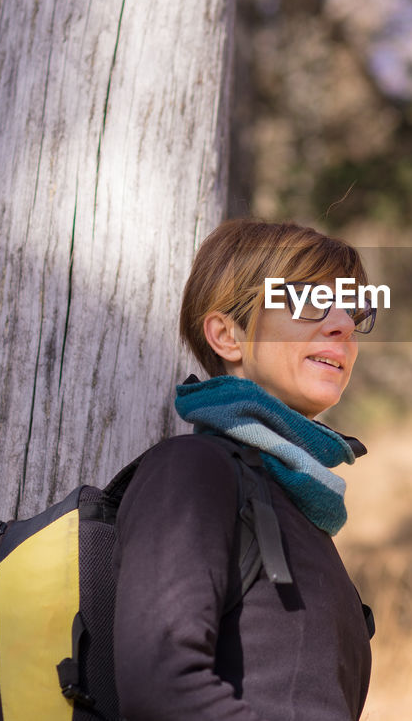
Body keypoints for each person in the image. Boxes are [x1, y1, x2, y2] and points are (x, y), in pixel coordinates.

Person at [112, 219, 377, 720]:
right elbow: (161, 688)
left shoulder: (300, 506)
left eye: (354, 308)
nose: (342, 323)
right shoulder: (192, 472)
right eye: (306, 301)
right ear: (227, 336)